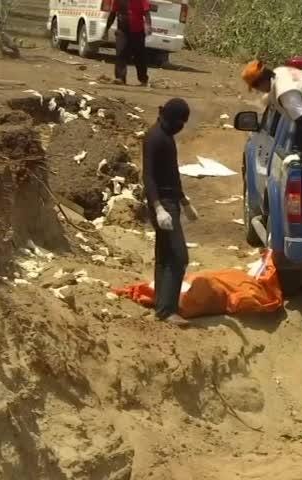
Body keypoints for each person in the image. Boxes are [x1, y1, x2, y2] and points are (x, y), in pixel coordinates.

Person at [142, 98, 198, 327]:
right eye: (180, 122)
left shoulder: (166, 137)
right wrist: (158, 207)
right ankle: (167, 310)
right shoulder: (154, 138)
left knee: (165, 255)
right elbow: (148, 176)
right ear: (171, 118)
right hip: (163, 204)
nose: (181, 127)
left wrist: (184, 201)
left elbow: (172, 174)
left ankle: (161, 304)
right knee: (178, 256)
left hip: (171, 201)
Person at [103, 0, 152, 86]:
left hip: (137, 31)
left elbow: (147, 13)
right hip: (122, 30)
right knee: (120, 52)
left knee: (139, 56)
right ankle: (120, 78)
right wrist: (106, 29)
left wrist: (148, 26)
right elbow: (113, 14)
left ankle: (143, 79)